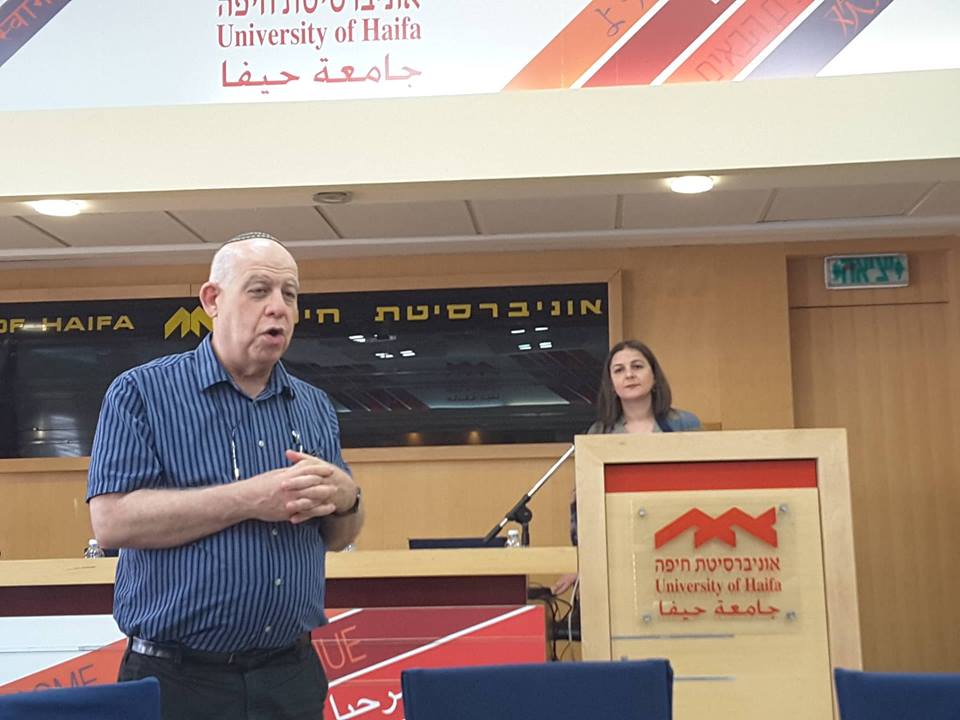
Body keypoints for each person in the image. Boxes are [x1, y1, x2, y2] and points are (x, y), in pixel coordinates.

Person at [86, 233, 363, 720]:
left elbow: (338, 537)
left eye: (290, 294)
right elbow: (112, 523)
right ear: (212, 300)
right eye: (259, 291)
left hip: (290, 677)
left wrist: (349, 499)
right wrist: (250, 499)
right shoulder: (141, 393)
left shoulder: (314, 405)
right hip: (177, 680)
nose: (278, 308)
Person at [551, 339, 700, 595]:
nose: (629, 375)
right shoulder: (599, 433)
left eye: (637, 366)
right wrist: (582, 559)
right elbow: (583, 505)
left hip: (682, 548)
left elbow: (707, 487)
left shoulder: (684, 424)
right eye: (619, 370)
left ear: (654, 376)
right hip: (620, 554)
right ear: (611, 384)